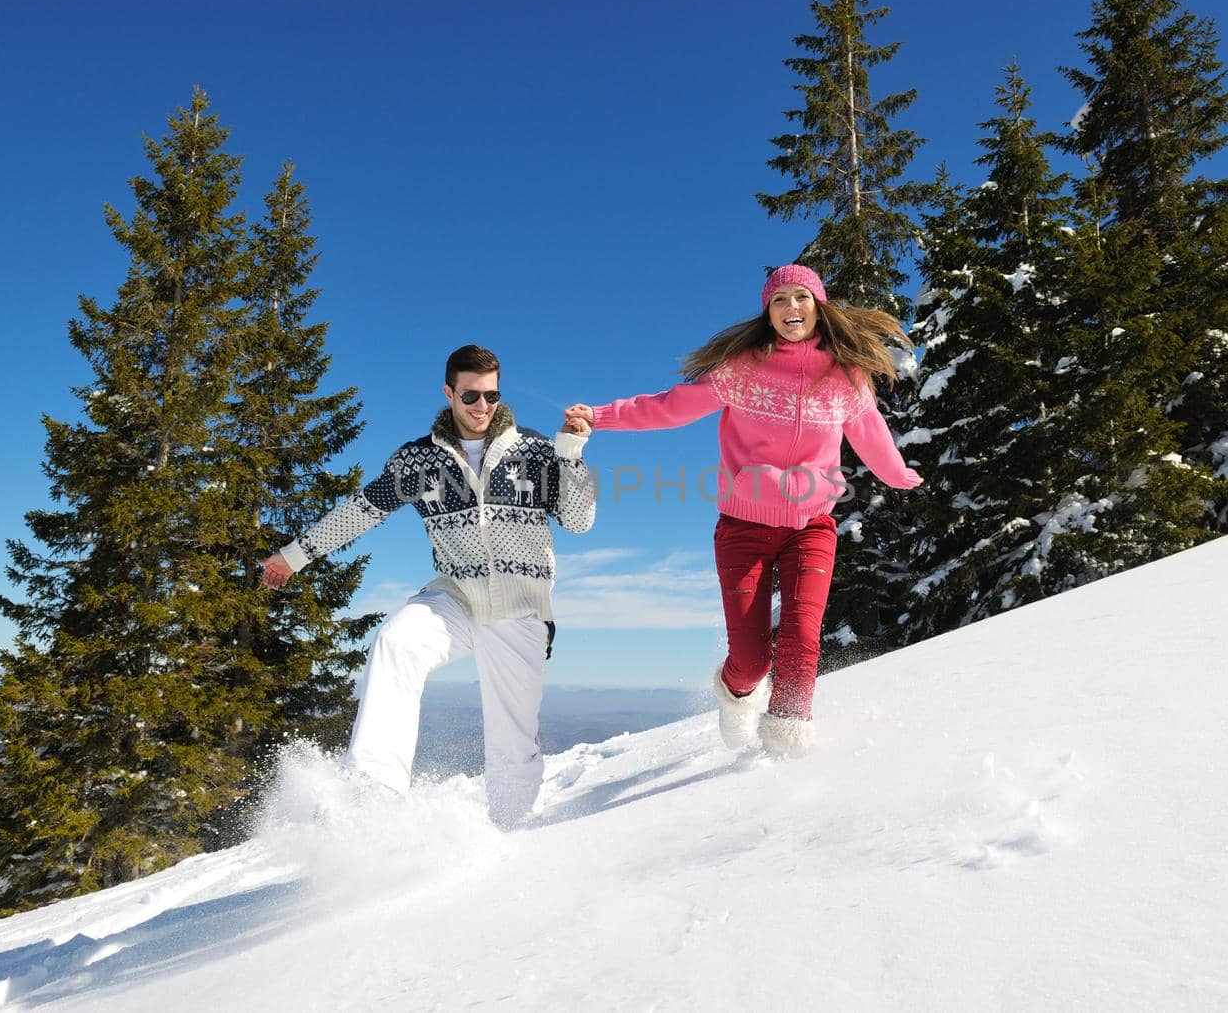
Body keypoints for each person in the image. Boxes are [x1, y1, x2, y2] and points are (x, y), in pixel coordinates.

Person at [565, 264, 920, 758]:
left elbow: (872, 435)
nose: (790, 308)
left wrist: (900, 475)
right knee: (752, 661)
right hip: (743, 528)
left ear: (819, 306)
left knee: (800, 639)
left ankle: (787, 753)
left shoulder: (846, 378)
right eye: (779, 300)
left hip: (811, 528)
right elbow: (671, 407)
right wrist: (600, 417)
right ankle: (735, 696)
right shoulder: (743, 371)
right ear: (767, 311)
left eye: (801, 297)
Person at [261, 344, 596, 826]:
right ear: (449, 393)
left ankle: (511, 834)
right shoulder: (418, 461)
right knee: (397, 642)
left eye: (492, 395)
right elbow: (360, 512)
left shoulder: (535, 452)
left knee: (513, 744)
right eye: (471, 396)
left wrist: (570, 452)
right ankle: (372, 794)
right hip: (455, 596)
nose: (483, 406)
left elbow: (580, 520)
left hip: (521, 609)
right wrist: (294, 557)